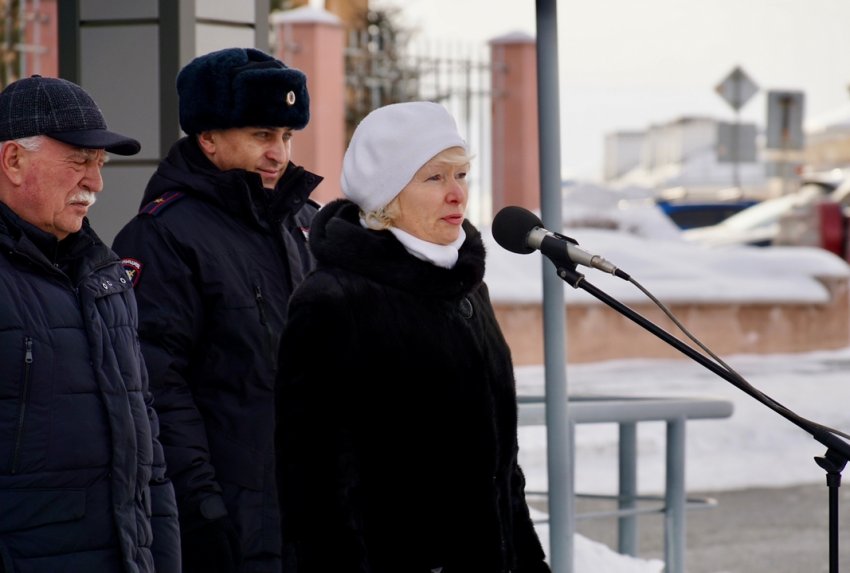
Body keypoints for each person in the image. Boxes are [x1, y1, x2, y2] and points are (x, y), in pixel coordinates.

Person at [278, 101, 552, 573]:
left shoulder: (465, 289)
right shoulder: (334, 302)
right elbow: (316, 493)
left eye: (462, 175)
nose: (457, 195)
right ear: (386, 196)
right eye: (434, 178)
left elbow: (500, 468)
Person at [111, 47, 322, 573]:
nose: (279, 153)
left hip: (318, 512)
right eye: (261, 135)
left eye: (286, 137)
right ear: (207, 138)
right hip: (233, 520)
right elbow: (158, 386)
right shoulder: (163, 235)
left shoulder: (308, 223)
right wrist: (203, 508)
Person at [0, 75, 180, 572]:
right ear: (13, 160)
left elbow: (150, 462)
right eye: (79, 162)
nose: (96, 183)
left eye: (99, 165)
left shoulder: (107, 278)